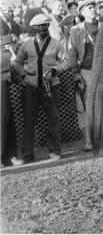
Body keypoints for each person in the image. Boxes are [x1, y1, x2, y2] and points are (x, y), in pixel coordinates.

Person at [13, 14, 69, 163]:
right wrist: (23, 76)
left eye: (45, 25)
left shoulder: (57, 44)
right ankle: (27, 155)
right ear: (34, 28)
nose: (43, 28)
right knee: (29, 121)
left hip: (51, 87)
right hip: (31, 87)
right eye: (39, 26)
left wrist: (55, 70)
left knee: (53, 119)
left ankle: (55, 151)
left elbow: (66, 62)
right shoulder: (26, 44)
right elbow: (17, 62)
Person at [68, 0, 103, 150]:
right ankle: (90, 141)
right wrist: (75, 73)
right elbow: (72, 52)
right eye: (89, 8)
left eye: (94, 7)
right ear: (82, 12)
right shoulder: (75, 30)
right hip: (87, 71)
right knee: (90, 106)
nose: (93, 10)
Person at [1, 34, 21, 167]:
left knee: (8, 121)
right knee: (2, 120)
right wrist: (11, 52)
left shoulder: (8, 51)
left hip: (5, 84)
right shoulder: (6, 54)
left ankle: (10, 156)